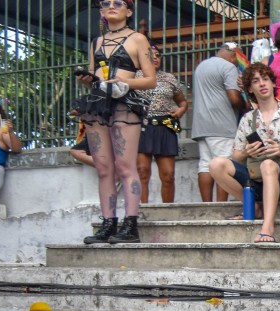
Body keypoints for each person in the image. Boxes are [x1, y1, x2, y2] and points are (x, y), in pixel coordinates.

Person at [75, 0, 156, 244]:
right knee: (103, 168)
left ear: (128, 11)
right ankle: (108, 223)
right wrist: (87, 79)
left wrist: (125, 84)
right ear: (101, 12)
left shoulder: (138, 39)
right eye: (106, 3)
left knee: (125, 165)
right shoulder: (96, 42)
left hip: (125, 103)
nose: (111, 6)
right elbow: (92, 75)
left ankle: (130, 224)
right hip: (97, 104)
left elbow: (150, 79)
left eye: (118, 3)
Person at [209, 62, 280, 243]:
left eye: (265, 79)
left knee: (268, 164)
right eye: (256, 81)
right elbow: (236, 156)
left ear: (273, 83)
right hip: (256, 178)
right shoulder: (247, 118)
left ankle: (268, 227)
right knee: (216, 164)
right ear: (250, 88)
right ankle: (253, 207)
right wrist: (247, 152)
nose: (262, 84)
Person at [190, 42, 245, 202]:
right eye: (238, 60)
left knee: (205, 165)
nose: (237, 64)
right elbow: (234, 98)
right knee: (223, 165)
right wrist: (245, 104)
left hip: (201, 126)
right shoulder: (228, 67)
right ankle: (221, 205)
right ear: (234, 54)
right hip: (222, 125)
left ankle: (206, 206)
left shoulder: (201, 67)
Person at [137, 44, 188, 204]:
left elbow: (182, 102)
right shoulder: (135, 76)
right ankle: (141, 213)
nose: (155, 58)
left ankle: (167, 211)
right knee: (142, 172)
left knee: (168, 175)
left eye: (158, 55)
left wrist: (181, 110)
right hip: (142, 128)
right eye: (151, 55)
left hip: (165, 127)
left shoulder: (169, 78)